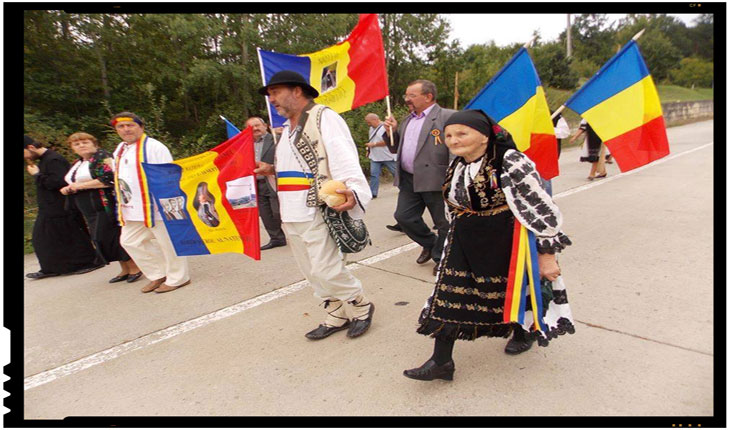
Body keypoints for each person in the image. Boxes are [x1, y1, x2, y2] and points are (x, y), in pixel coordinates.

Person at [402, 110, 575, 382]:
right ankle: (441, 361)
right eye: (448, 135)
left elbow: (541, 210)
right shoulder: (458, 165)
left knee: (515, 292)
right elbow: (454, 209)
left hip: (507, 242)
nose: (453, 140)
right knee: (447, 296)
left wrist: (546, 255)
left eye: (461, 133)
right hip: (464, 241)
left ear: (484, 136)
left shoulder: (510, 161)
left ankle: (522, 331)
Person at [254, 70, 374, 340]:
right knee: (310, 270)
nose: (271, 99)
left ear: (297, 91)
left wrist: (353, 191)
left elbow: (344, 158)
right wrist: (271, 170)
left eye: (275, 92)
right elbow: (295, 167)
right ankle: (336, 312)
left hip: (316, 209)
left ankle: (361, 305)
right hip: (290, 210)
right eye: (270, 94)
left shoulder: (324, 117)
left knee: (326, 268)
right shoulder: (286, 129)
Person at [111, 112, 191, 294]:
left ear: (141, 126)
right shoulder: (120, 149)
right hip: (132, 208)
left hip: (157, 206)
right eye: (121, 127)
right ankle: (159, 273)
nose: (126, 130)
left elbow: (168, 175)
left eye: (130, 125)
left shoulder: (154, 147)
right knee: (129, 241)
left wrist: (170, 205)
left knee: (168, 244)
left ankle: (179, 278)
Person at [383, 79, 456, 275]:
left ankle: (442, 258)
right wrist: (391, 132)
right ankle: (430, 243)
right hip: (409, 179)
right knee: (404, 217)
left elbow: (455, 148)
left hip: (436, 179)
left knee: (443, 222)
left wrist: (453, 177)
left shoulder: (447, 116)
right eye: (407, 95)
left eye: (411, 96)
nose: (407, 99)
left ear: (428, 96)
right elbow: (393, 147)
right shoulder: (407, 120)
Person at [59, 132, 143, 284]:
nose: (81, 145)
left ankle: (134, 266)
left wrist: (79, 186)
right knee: (101, 238)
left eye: (85, 142)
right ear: (72, 148)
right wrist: (69, 188)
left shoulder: (102, 157)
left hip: (104, 202)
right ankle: (124, 268)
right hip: (87, 206)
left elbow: (110, 179)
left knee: (109, 235)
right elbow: (74, 182)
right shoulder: (78, 163)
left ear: (94, 144)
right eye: (77, 144)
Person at [23, 135, 103, 279]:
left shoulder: (54, 159)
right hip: (50, 206)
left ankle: (89, 262)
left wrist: (37, 175)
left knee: (70, 235)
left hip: (60, 205)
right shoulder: (45, 160)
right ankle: (52, 267)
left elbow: (59, 182)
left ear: (31, 147)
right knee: (46, 238)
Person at [245, 116, 286, 250]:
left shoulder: (276, 139)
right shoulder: (245, 145)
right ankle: (276, 238)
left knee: (277, 211)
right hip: (256, 184)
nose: (255, 129)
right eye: (251, 127)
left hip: (274, 180)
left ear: (265, 126)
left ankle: (296, 234)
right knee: (265, 213)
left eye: (257, 125)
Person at [363, 113, 397, 199]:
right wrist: (368, 149)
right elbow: (371, 140)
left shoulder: (385, 127)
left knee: (396, 173)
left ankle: (405, 188)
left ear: (375, 120)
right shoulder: (371, 129)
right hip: (375, 157)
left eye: (369, 122)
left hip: (387, 156)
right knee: (374, 174)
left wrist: (374, 144)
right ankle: (373, 193)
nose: (368, 124)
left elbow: (388, 141)